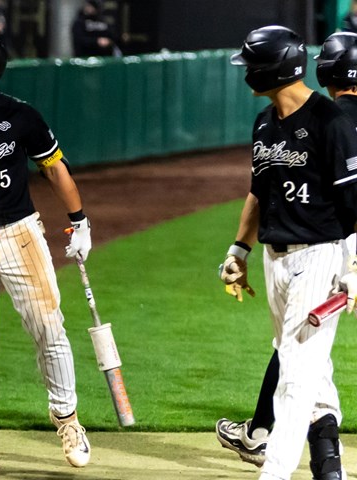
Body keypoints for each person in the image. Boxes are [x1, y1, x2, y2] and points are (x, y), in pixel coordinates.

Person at [0, 29, 92, 474]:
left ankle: (68, 420)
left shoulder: (19, 115)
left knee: (50, 330)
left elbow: (55, 168)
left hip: (21, 236)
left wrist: (79, 221)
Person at [216, 30, 357, 477]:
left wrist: (354, 266)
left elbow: (354, 205)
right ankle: (328, 467)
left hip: (321, 258)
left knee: (295, 374)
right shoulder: (263, 122)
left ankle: (273, 470)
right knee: (307, 366)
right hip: (274, 259)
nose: (246, 74)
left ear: (275, 68)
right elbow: (259, 193)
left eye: (251, 65)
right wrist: (239, 248)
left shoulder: (330, 122)